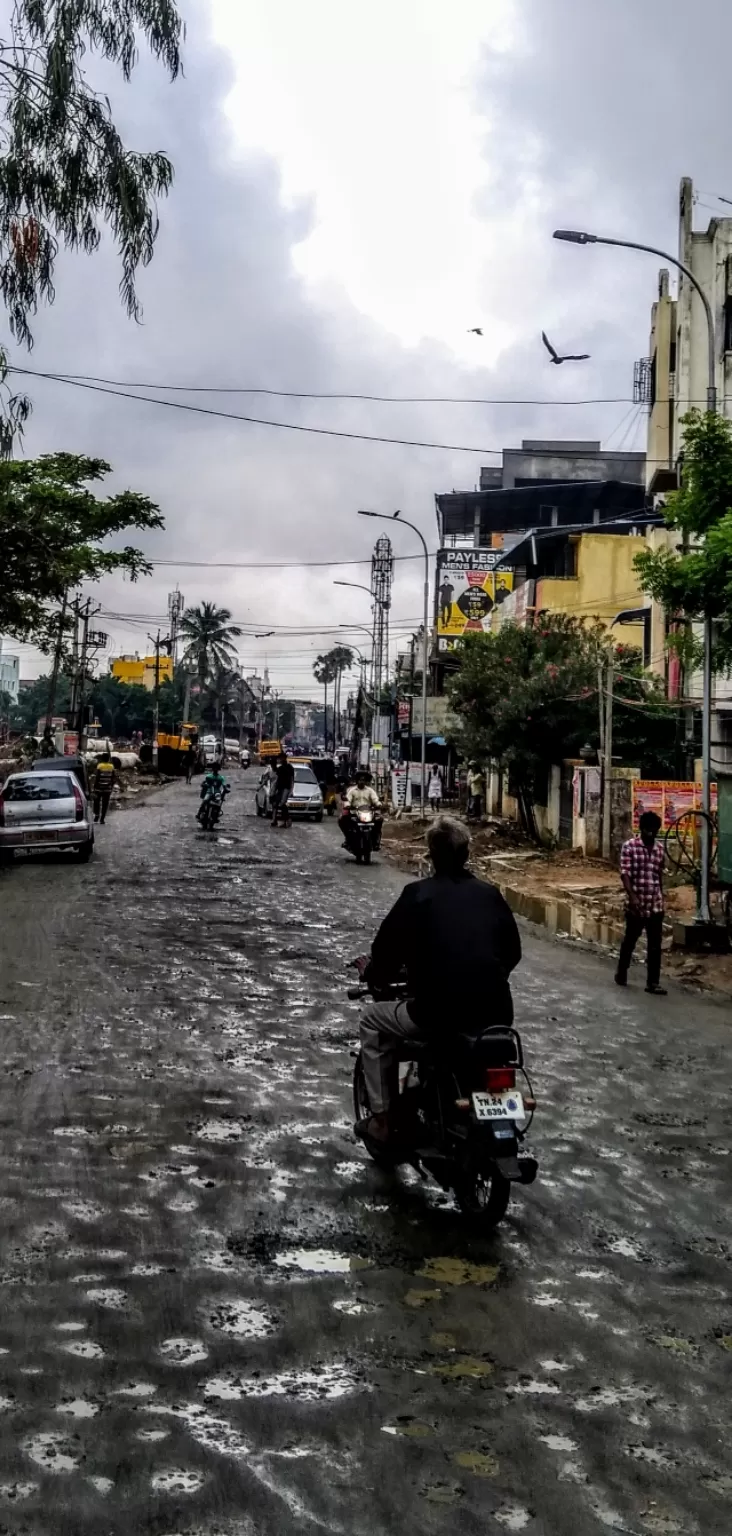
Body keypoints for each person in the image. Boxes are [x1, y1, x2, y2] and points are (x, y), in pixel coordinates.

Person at [355, 816, 521, 1149]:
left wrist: (373, 975)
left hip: (435, 1012)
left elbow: (385, 954)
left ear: (431, 854)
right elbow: (512, 952)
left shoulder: (417, 894)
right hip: (496, 1012)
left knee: (370, 1021)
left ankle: (383, 1120)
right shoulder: (490, 894)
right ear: (466, 853)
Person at [615, 810, 667, 995]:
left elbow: (659, 874)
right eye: (648, 830)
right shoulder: (630, 847)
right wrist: (632, 897)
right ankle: (622, 971)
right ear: (642, 829)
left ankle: (653, 982)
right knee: (630, 940)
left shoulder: (660, 849)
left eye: (655, 831)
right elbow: (625, 874)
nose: (651, 834)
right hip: (637, 903)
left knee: (655, 944)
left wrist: (662, 896)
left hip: (655, 903)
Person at [339, 768, 383, 849]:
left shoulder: (370, 791)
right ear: (357, 781)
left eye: (363, 780)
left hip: (368, 812)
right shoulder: (352, 791)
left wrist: (378, 804)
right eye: (360, 780)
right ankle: (348, 839)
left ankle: (376, 840)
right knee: (342, 819)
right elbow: (348, 800)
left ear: (365, 781)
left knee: (379, 819)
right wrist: (347, 805)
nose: (361, 781)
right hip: (354, 813)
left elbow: (375, 799)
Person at [271, 752, 294, 828]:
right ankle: (277, 821)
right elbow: (277, 780)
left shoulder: (290, 767)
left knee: (282, 803)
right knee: (276, 804)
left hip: (286, 788)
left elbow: (292, 779)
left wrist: (291, 790)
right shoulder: (280, 768)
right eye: (280, 758)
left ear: (285, 758)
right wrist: (274, 790)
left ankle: (286, 820)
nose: (280, 759)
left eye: (281, 758)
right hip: (280, 788)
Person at [93, 753, 116, 825]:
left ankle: (96, 816)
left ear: (102, 759)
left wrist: (95, 787)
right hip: (107, 789)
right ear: (108, 759)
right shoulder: (111, 767)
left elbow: (97, 777)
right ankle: (102, 819)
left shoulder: (100, 766)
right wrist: (111, 786)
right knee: (105, 804)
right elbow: (113, 778)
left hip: (99, 788)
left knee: (96, 802)